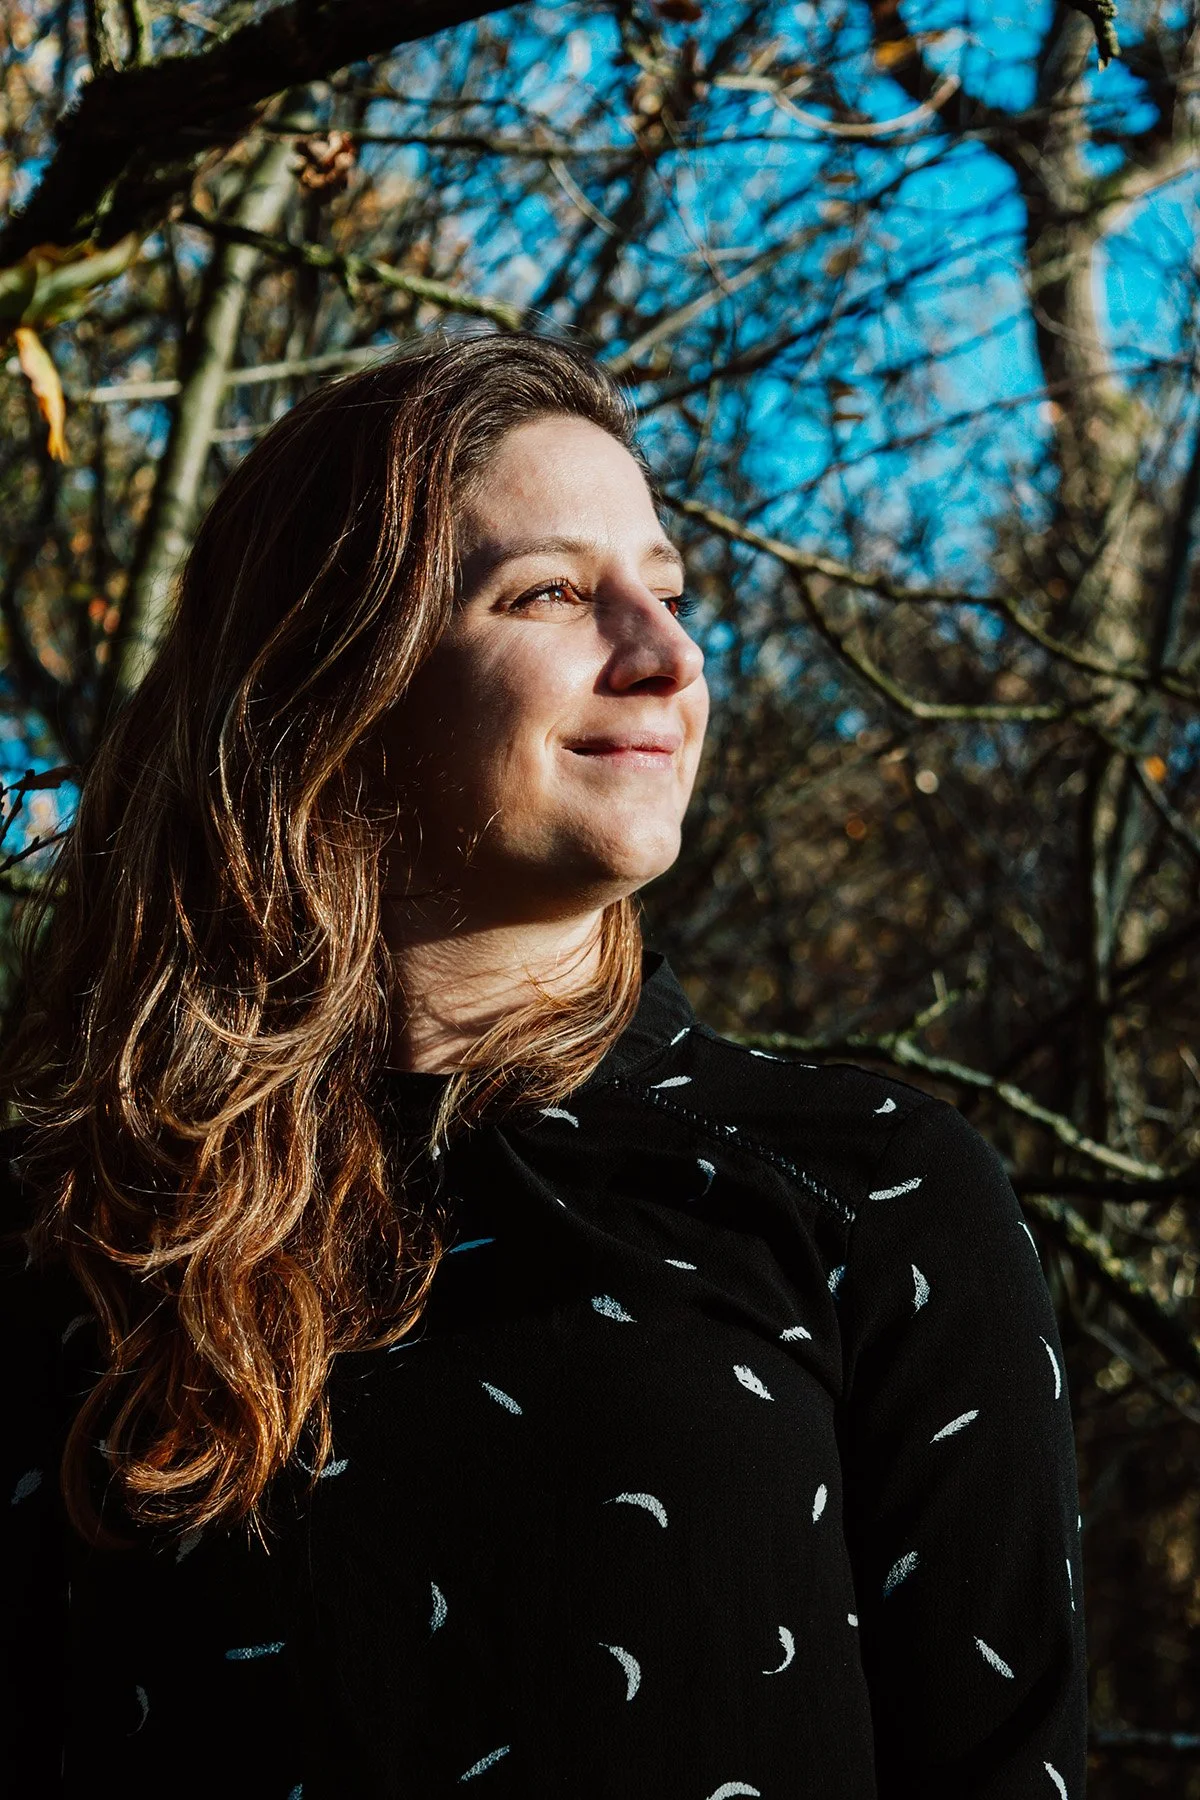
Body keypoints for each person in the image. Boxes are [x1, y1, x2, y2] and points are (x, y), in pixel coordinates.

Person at [0, 329, 1088, 1798]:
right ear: (335, 683)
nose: (669, 655)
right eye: (555, 593)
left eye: (673, 590)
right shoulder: (80, 1222)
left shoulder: (870, 1191)